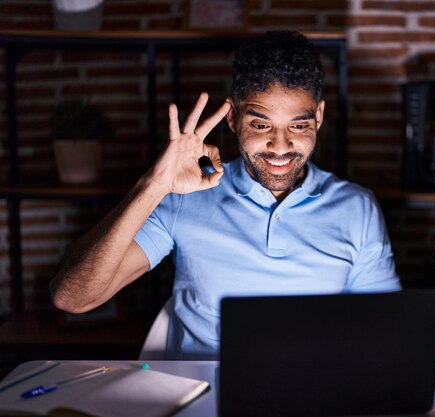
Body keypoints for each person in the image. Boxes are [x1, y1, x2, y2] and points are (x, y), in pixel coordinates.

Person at [50, 31, 401, 359]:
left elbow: (384, 329)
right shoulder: (185, 196)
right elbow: (72, 297)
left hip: (310, 388)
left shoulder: (357, 208)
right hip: (205, 392)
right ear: (232, 117)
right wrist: (154, 185)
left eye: (299, 125)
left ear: (319, 117)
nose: (281, 147)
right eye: (261, 125)